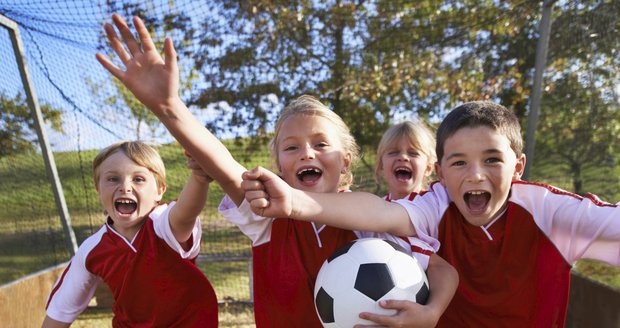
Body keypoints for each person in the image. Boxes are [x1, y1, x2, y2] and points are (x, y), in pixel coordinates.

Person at [95, 14, 457, 327]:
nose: (306, 153)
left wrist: (432, 313)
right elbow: (223, 165)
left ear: (346, 159)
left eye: (320, 144)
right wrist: (170, 107)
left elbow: (441, 270)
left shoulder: (369, 219)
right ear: (280, 163)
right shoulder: (266, 216)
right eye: (291, 147)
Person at [243, 100, 620, 327]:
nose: (475, 174)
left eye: (492, 160)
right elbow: (378, 212)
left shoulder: (550, 211)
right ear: (441, 172)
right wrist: (294, 203)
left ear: (518, 166)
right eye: (459, 162)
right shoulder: (434, 203)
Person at [42, 141, 218, 327]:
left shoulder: (162, 224)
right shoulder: (91, 249)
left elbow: (186, 213)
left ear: (159, 191)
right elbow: (60, 311)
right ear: (98, 189)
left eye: (138, 179)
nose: (125, 187)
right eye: (113, 179)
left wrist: (199, 178)